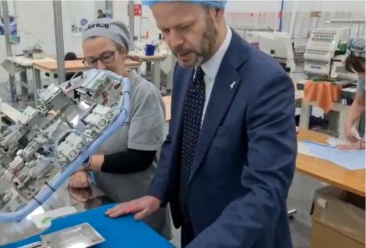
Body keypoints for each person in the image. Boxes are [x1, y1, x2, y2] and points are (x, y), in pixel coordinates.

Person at [105, 1, 297, 247]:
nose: (173, 43)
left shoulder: (266, 82)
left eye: (184, 27)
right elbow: (178, 139)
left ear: (216, 12)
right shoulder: (187, 68)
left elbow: (266, 189)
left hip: (240, 237)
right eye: (164, 31)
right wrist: (157, 193)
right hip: (194, 226)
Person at [67, 18, 171, 239]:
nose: (101, 67)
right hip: (105, 199)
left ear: (123, 51)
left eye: (107, 56)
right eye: (92, 60)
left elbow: (139, 158)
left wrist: (82, 162)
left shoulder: (143, 93)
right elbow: (78, 139)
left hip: (140, 206)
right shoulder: (94, 94)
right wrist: (78, 169)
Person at [338, 38, 365, 150]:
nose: (361, 76)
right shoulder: (363, 76)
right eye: (358, 71)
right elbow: (360, 101)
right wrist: (348, 123)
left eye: (363, 71)